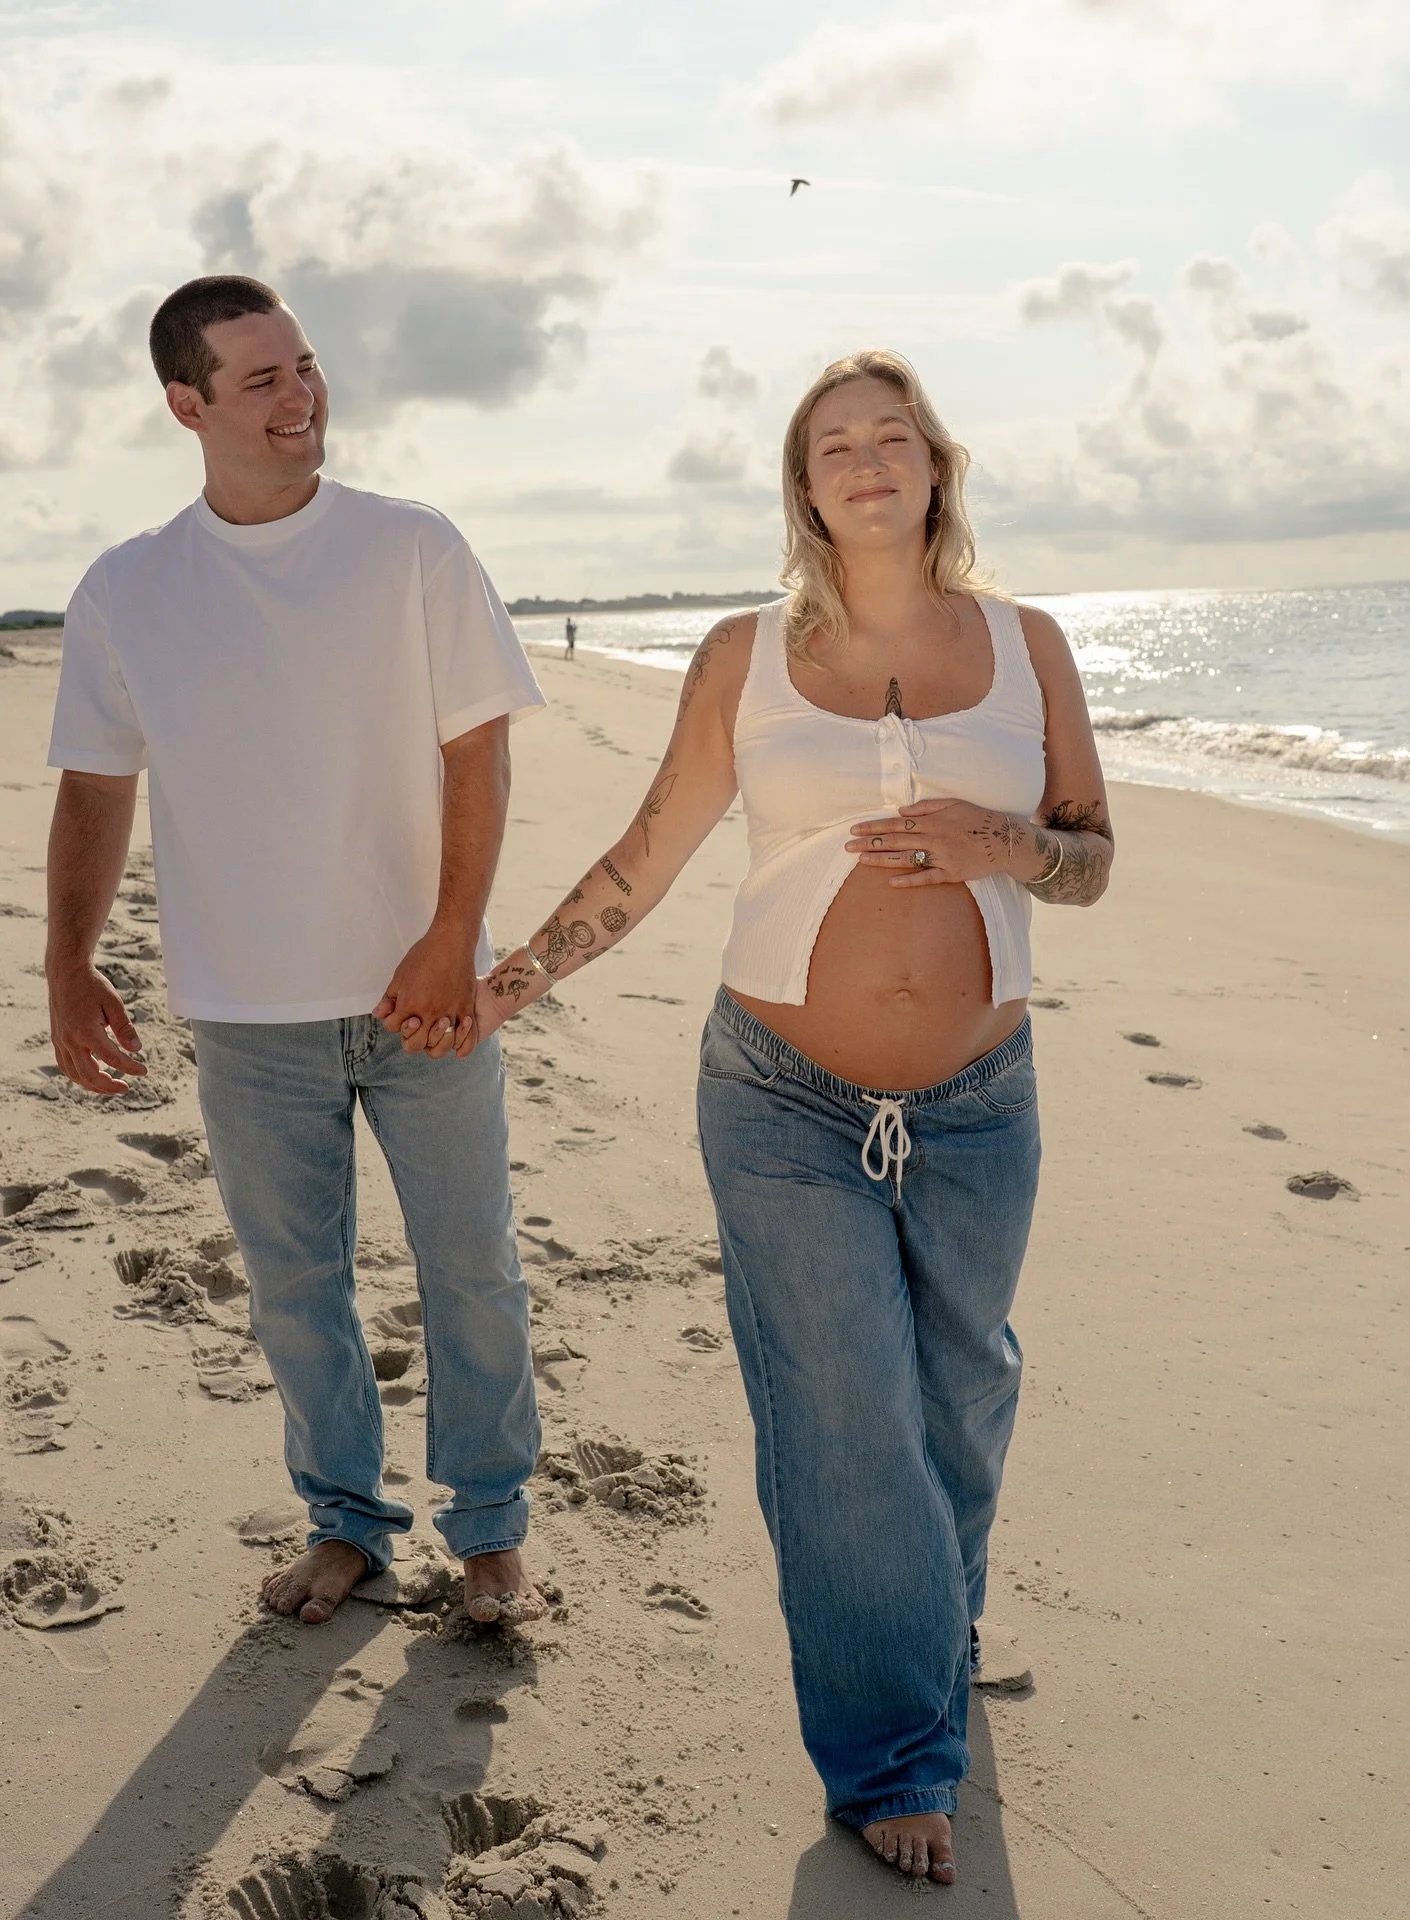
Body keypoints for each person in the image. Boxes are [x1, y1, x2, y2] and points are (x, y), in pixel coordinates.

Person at [464, 349, 1114, 1882]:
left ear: (937, 465)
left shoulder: (1028, 646)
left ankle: (929, 1625)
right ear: (804, 485)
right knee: (842, 1415)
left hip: (978, 1098)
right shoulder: (742, 656)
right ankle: (894, 1752)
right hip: (779, 1097)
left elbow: (1090, 859)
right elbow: (648, 854)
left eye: (895, 436)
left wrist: (1003, 842)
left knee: (960, 1393)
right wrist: (514, 980)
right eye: (837, 445)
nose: (869, 460)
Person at [45, 274, 549, 1629]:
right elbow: (96, 787)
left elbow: (477, 749)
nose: (300, 397)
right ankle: (346, 1523)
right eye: (261, 379)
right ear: (186, 405)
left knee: (471, 1267)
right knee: (296, 1288)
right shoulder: (127, 589)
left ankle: (492, 1531)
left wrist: (453, 937)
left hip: (425, 996)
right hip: (245, 1007)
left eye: (307, 368)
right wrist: (67, 962)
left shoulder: (410, 548)